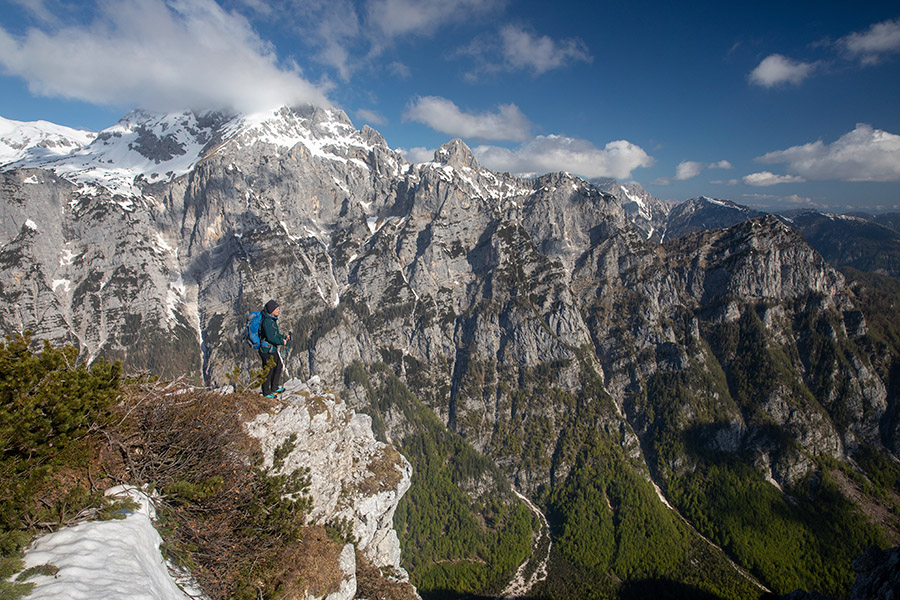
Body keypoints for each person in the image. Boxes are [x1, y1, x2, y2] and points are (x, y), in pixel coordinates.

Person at [259, 299, 290, 398]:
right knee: (268, 370)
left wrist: (283, 337)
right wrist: (281, 342)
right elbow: (270, 338)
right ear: (271, 310)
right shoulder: (267, 322)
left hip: (271, 349)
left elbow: (275, 334)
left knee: (278, 366)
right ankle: (266, 392)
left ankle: (274, 388)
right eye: (276, 309)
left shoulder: (271, 319)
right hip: (266, 350)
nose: (278, 310)